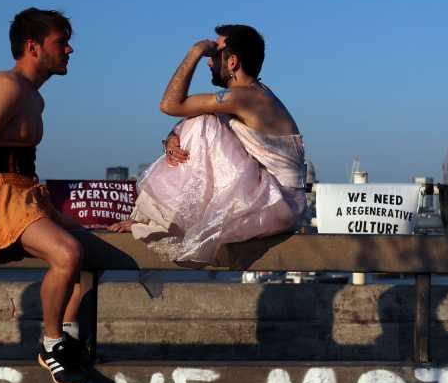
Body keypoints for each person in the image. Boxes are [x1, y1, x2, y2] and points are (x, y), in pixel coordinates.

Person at [0, 8, 90, 383]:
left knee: (90, 252)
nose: (70, 49)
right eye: (61, 42)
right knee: (67, 254)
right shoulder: (6, 87)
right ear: (33, 47)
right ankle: (51, 343)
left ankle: (70, 335)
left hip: (26, 193)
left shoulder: (34, 97)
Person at [109, 25, 307, 263]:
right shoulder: (250, 96)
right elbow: (186, 115)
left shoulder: (246, 98)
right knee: (203, 118)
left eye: (214, 54)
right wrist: (173, 136)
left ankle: (158, 220)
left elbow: (170, 105)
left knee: (204, 122)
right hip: (278, 201)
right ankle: (158, 219)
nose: (209, 62)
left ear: (232, 62)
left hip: (277, 203)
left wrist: (194, 51)